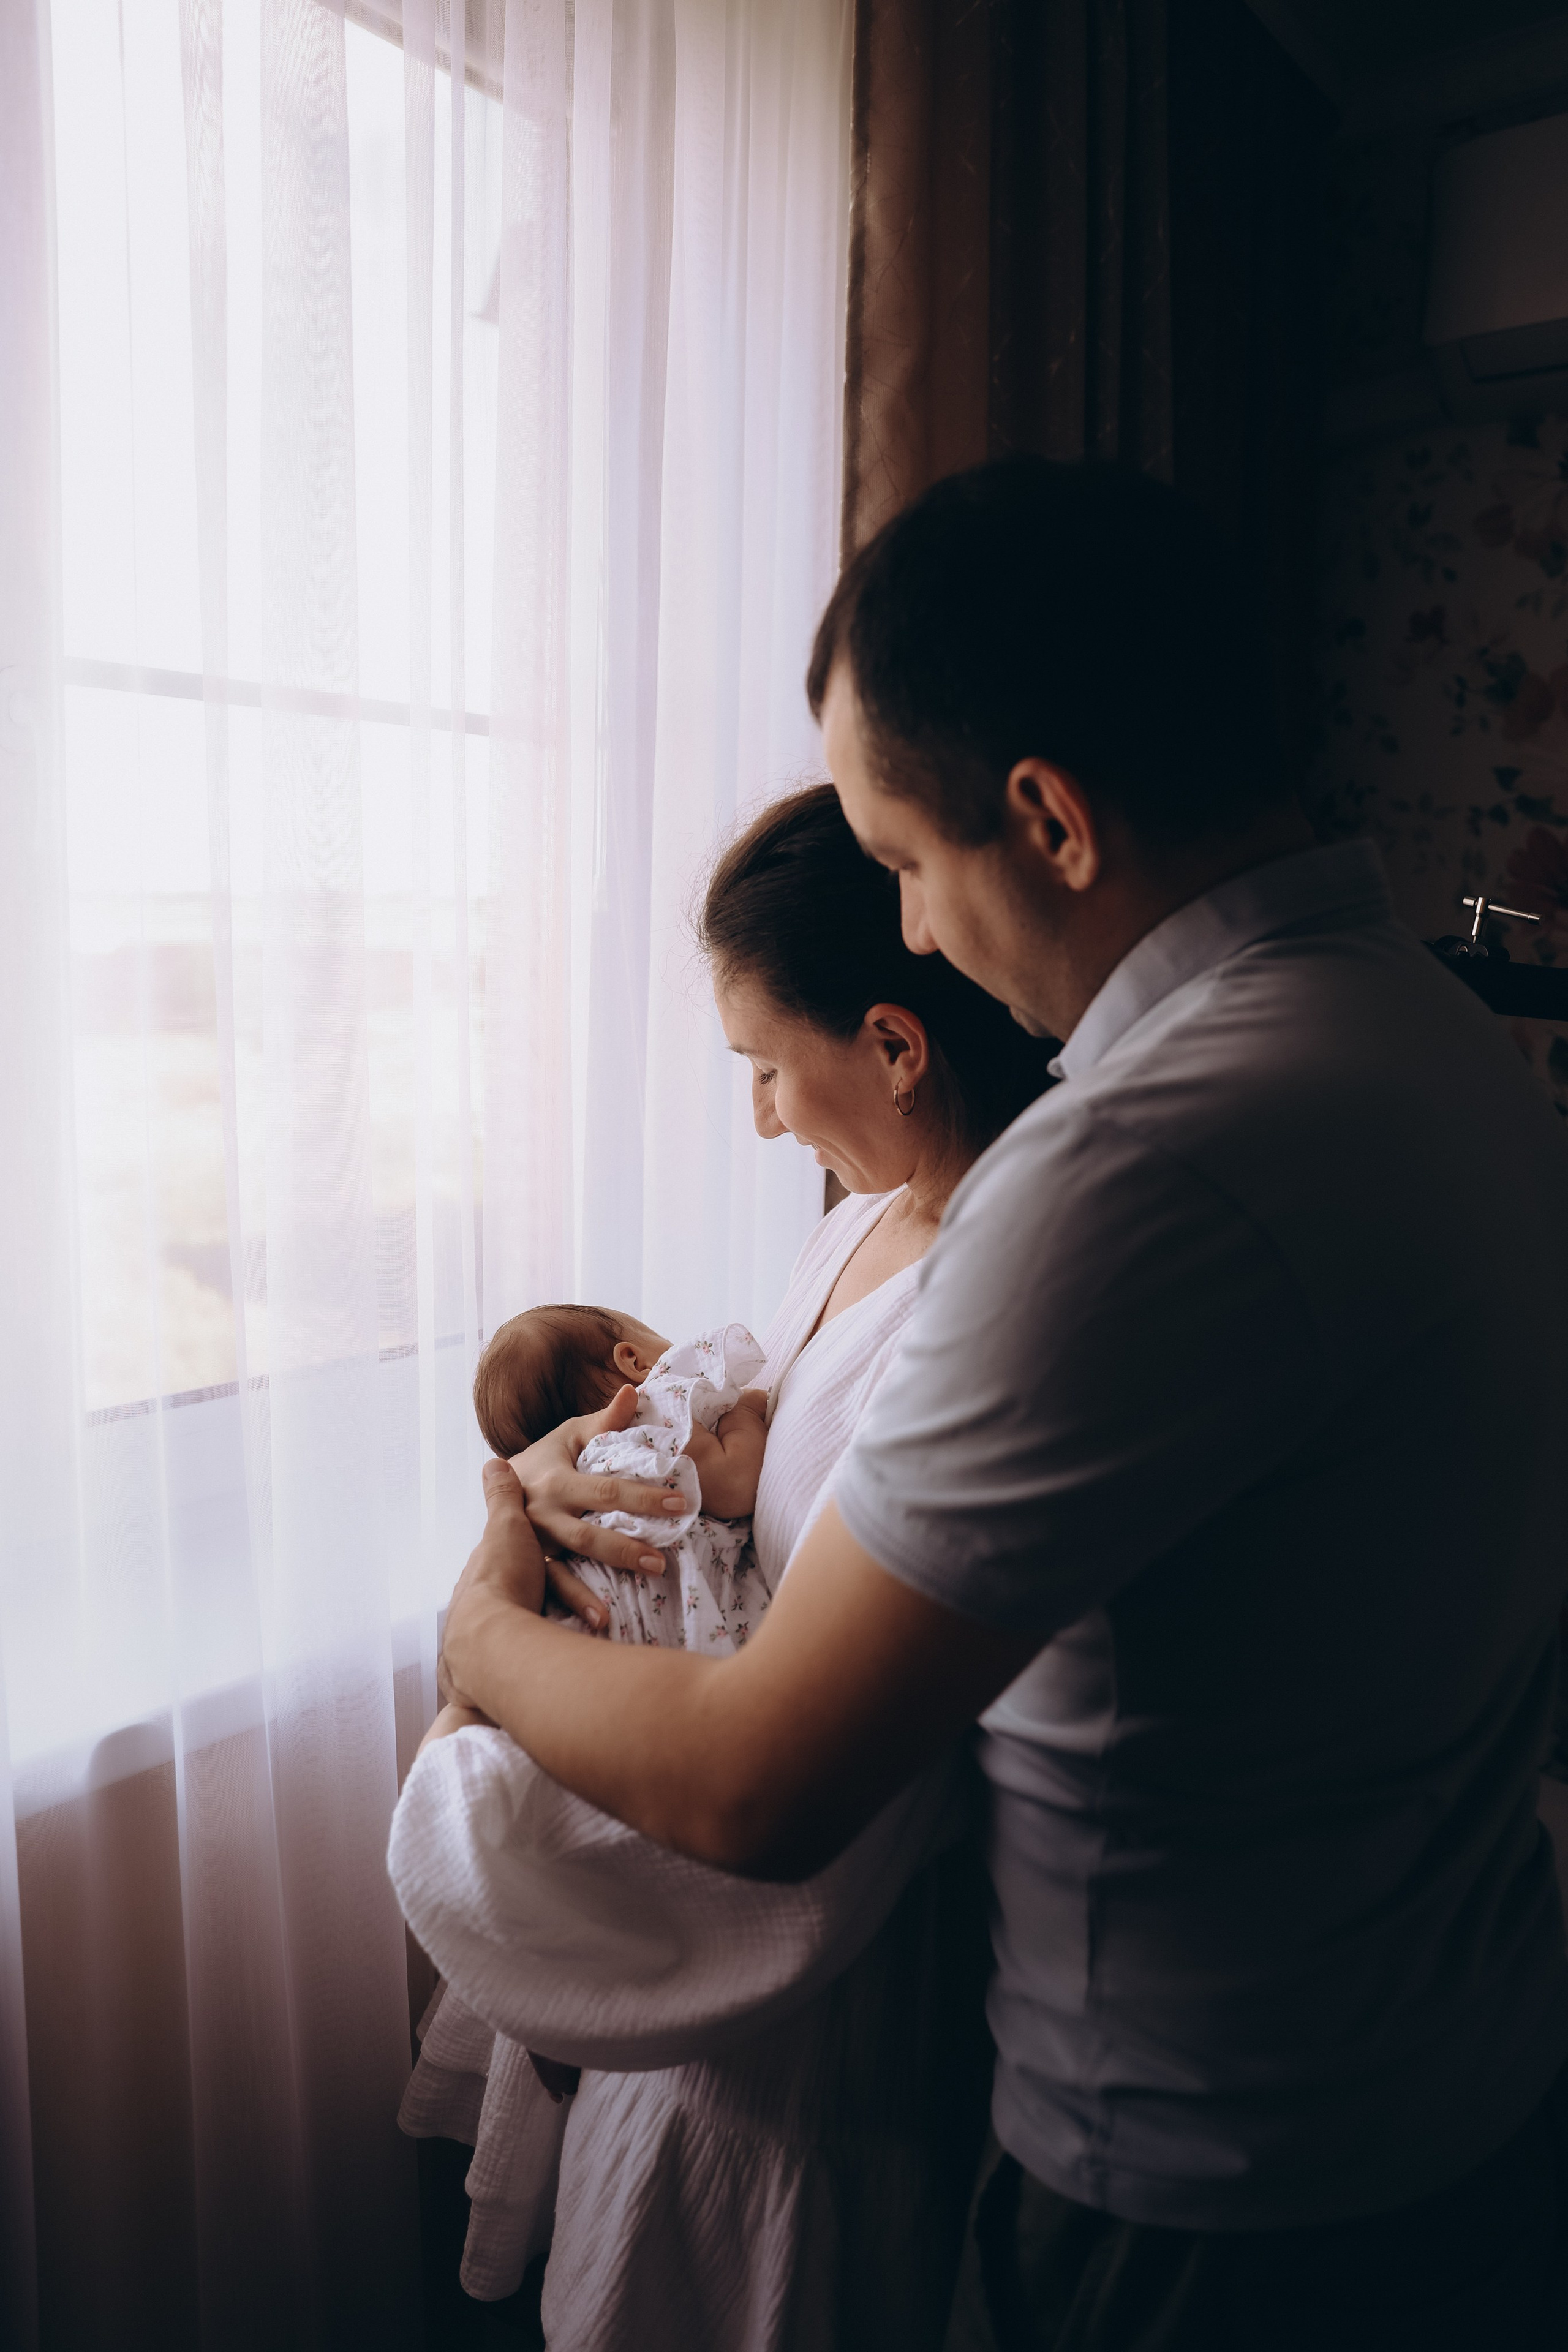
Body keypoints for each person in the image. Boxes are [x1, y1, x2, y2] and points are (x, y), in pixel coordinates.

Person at [424, 456, 1568, 2350]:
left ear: (1042, 816)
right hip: (1460, 2074)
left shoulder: (1131, 1168)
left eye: (900, 863)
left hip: (1216, 2195)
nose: (916, 932)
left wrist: (477, 1623)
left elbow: (755, 1779)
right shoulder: (1439, 1031)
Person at [391, 782, 1058, 2336]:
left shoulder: (985, 1311)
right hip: (700, 2039)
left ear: (893, 1043)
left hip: (820, 2029)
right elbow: (738, 1420)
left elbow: (821, 1739)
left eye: (764, 1063)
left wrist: (489, 1638)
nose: (758, 1111)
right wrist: (579, 1468)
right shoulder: (861, 1220)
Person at [468, 1306, 770, 1652]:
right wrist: (745, 1412)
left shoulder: (569, 1478)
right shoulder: (655, 1407)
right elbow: (736, 1485)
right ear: (634, 1361)